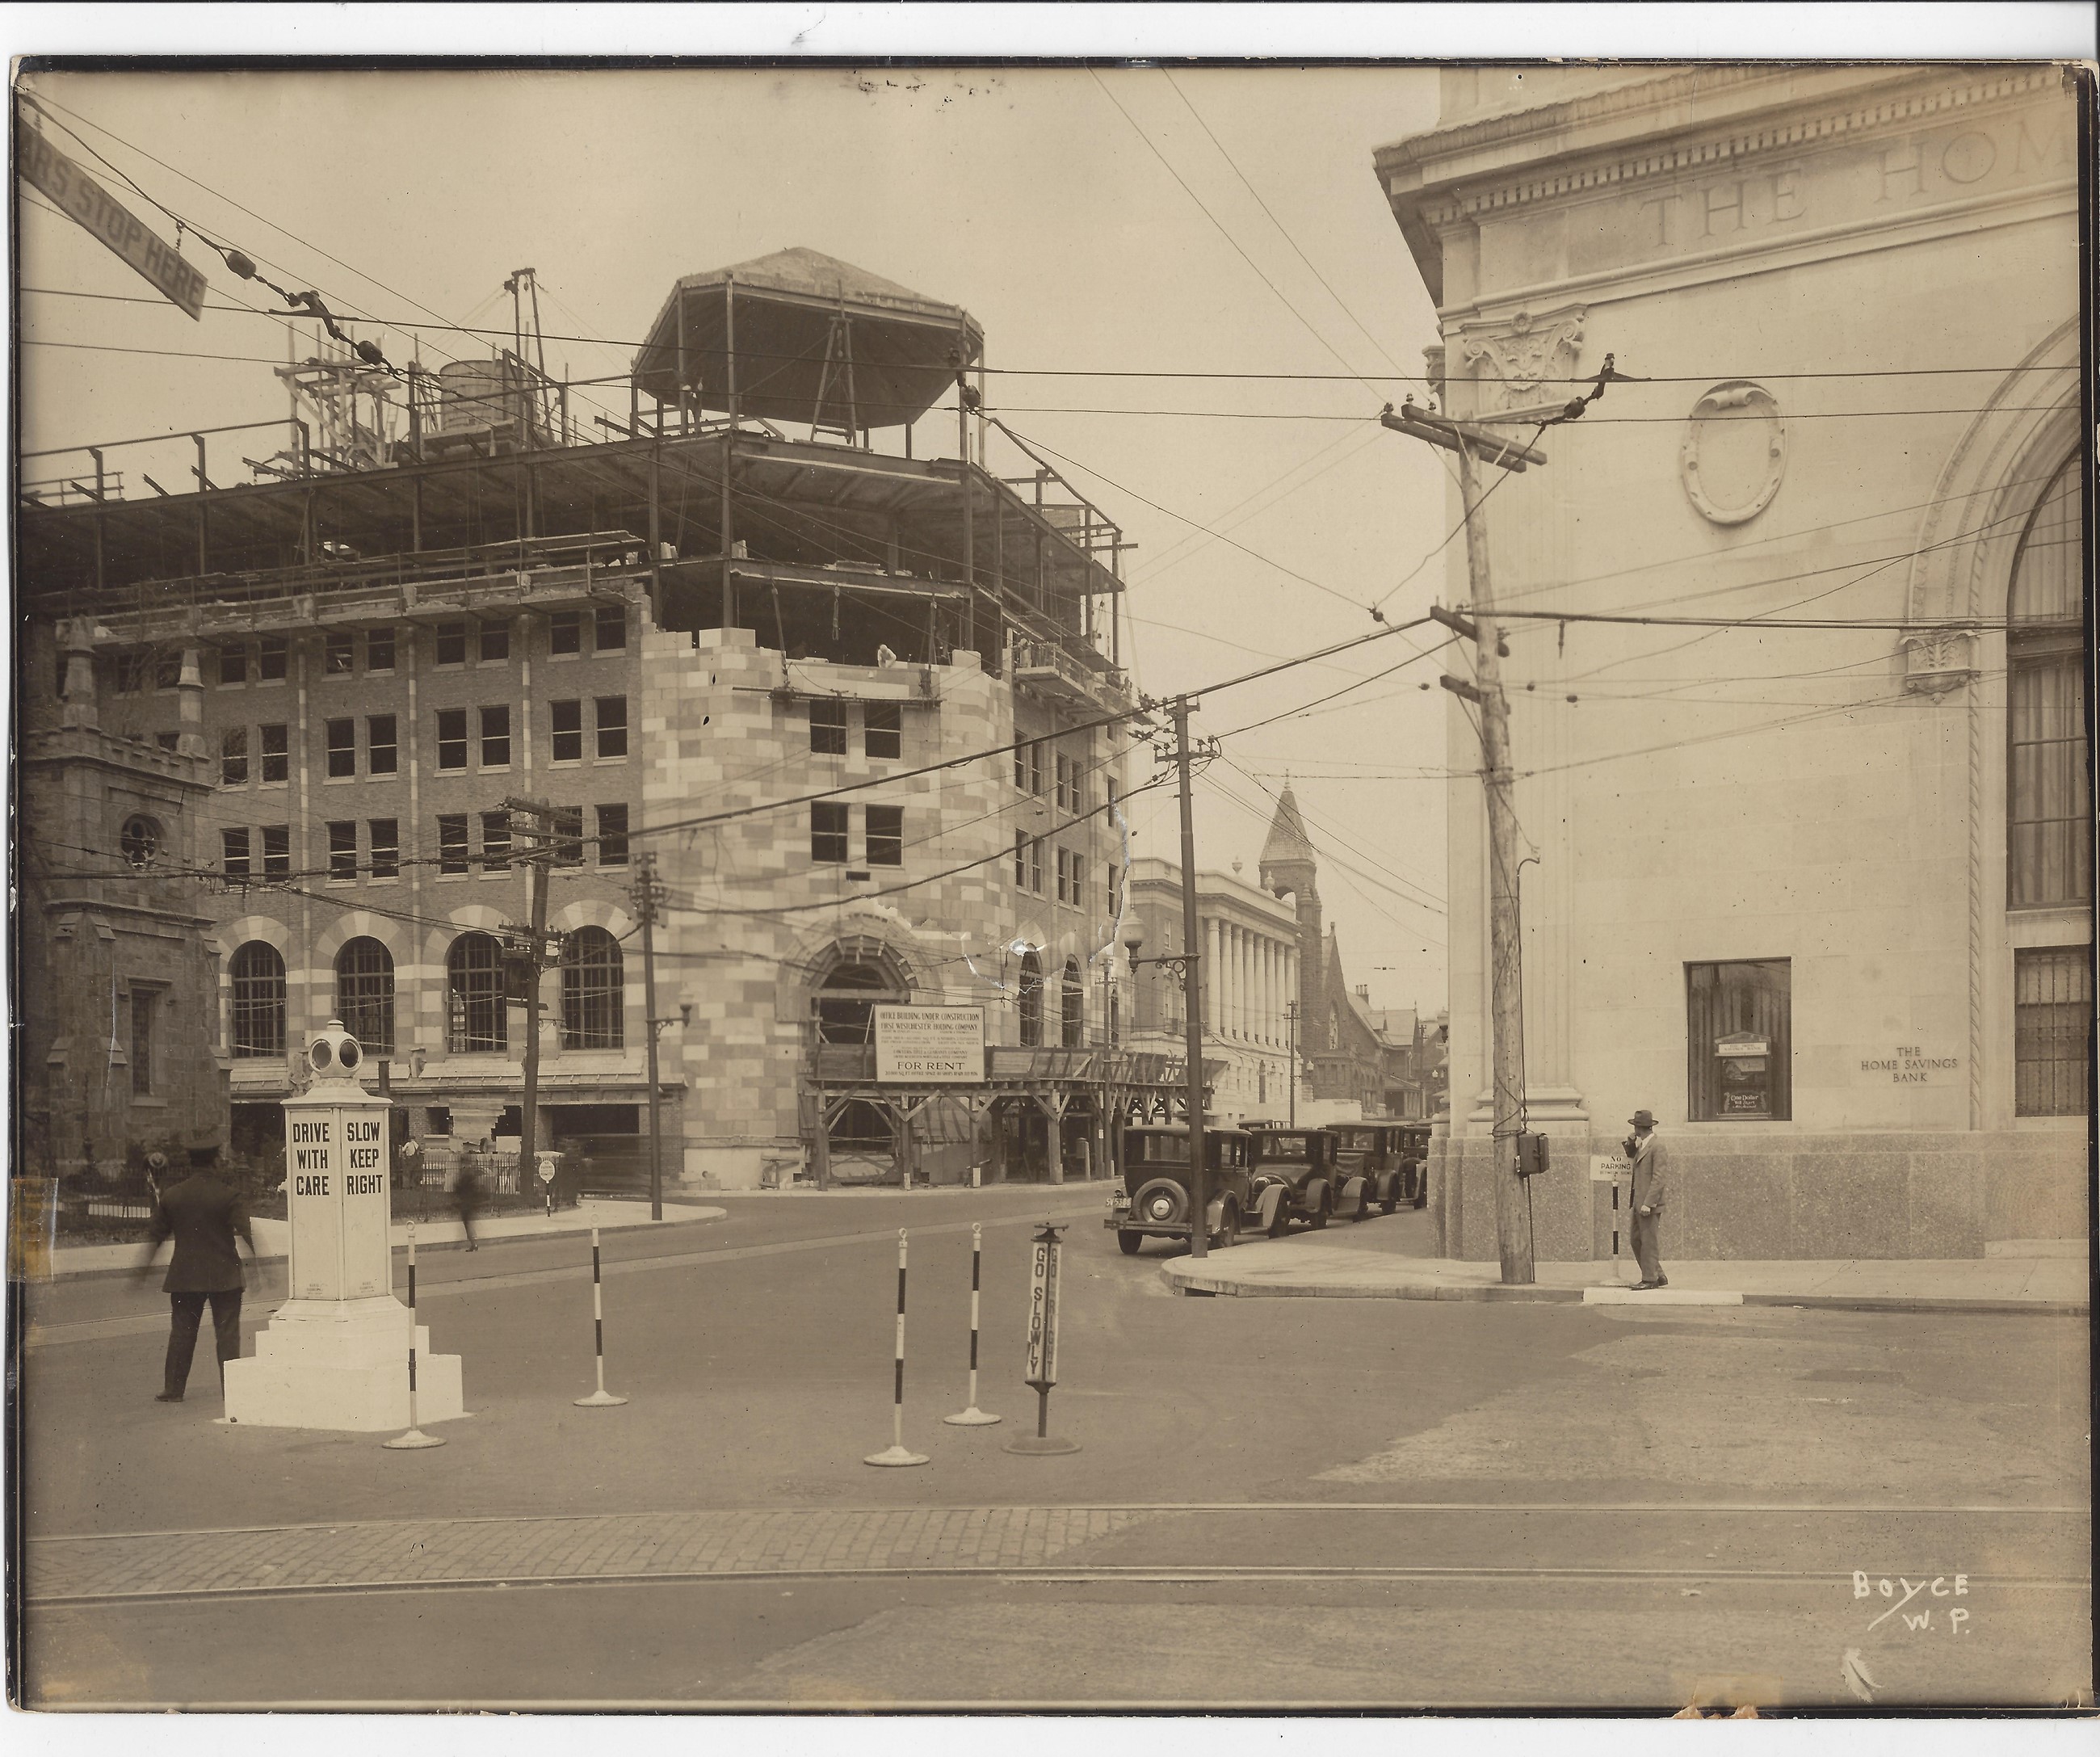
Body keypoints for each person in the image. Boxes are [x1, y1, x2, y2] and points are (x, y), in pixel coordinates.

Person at [136, 1153, 256, 1403]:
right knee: (227, 1334)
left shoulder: (173, 1195)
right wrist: (260, 1267)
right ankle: (231, 1389)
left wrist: (142, 1270)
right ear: (214, 1163)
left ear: (192, 1164)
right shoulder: (228, 1194)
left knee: (182, 1332)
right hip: (225, 1276)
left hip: (185, 1276)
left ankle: (173, 1389)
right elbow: (247, 1232)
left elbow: (155, 1235)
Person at [1623, 1108, 1670, 1290]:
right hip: (1638, 1202)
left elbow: (1659, 1178)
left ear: (1639, 1127)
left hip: (1648, 1204)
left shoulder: (1657, 1146)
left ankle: (1650, 1279)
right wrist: (1630, 1143)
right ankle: (1658, 1275)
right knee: (1636, 1240)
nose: (1634, 1128)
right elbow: (1632, 1156)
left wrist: (1649, 1203)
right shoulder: (1643, 1145)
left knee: (1648, 1241)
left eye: (1635, 1125)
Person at [454, 1154, 484, 1251]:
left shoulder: (466, 1173)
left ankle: (473, 1242)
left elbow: (463, 1187)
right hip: (468, 1202)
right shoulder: (468, 1172)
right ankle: (473, 1242)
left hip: (467, 1202)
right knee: (467, 1223)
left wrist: (457, 1188)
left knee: (467, 1223)